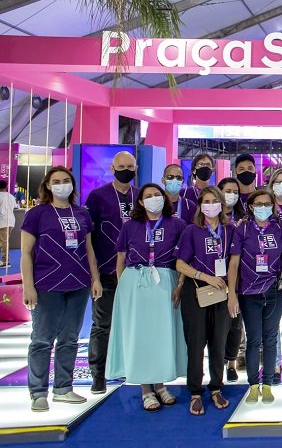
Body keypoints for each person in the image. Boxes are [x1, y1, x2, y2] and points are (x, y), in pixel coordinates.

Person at [21, 166, 102, 412]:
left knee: (69, 338)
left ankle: (63, 388)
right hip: (46, 284)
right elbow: (25, 252)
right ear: (47, 185)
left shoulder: (82, 214)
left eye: (66, 180)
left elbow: (88, 249)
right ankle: (38, 392)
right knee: (42, 340)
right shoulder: (37, 214)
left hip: (77, 284)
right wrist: (28, 286)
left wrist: (95, 279)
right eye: (56, 181)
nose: (61, 184)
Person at [107, 183, 187, 411]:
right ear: (141, 202)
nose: (154, 199)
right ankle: (145, 389)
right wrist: (125, 286)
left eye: (158, 195)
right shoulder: (131, 226)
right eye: (149, 196)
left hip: (165, 281)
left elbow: (183, 259)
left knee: (161, 335)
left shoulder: (177, 224)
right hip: (137, 282)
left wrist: (180, 284)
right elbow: (120, 259)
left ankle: (161, 385)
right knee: (141, 336)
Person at [175, 186, 233, 415]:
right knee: (196, 343)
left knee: (218, 342)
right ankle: (196, 392)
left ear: (221, 203)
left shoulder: (230, 230)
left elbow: (235, 262)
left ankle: (216, 388)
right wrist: (204, 276)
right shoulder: (192, 230)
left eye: (214, 200)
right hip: (197, 291)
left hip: (222, 292)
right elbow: (180, 263)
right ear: (200, 205)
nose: (210, 205)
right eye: (205, 201)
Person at [84, 150, 137, 394]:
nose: (127, 170)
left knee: (133, 323)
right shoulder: (98, 197)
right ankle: (98, 373)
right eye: (122, 166)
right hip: (106, 271)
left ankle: (129, 366)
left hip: (136, 274)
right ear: (113, 169)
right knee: (102, 324)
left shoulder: (141, 196)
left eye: (131, 166)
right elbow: (88, 239)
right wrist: (93, 275)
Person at [228, 189, 282, 404]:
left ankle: (268, 383)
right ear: (251, 206)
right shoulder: (242, 229)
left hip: (274, 290)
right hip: (248, 291)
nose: (263, 208)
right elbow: (233, 263)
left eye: (267, 204)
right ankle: (253, 384)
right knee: (254, 339)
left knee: (270, 338)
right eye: (258, 204)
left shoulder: (279, 228)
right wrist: (232, 294)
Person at [217, 177, 246, 382]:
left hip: (239, 276)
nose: (232, 195)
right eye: (228, 190)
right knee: (216, 323)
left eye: (235, 191)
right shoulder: (210, 218)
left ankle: (231, 363)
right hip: (214, 277)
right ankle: (215, 363)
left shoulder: (244, 218)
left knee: (236, 322)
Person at [0, 180, 16, 267]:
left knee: (4, 241)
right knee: (3, 241)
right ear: (6, 187)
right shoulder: (11, 196)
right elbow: (14, 207)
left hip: (3, 222)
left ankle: (6, 261)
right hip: (11, 221)